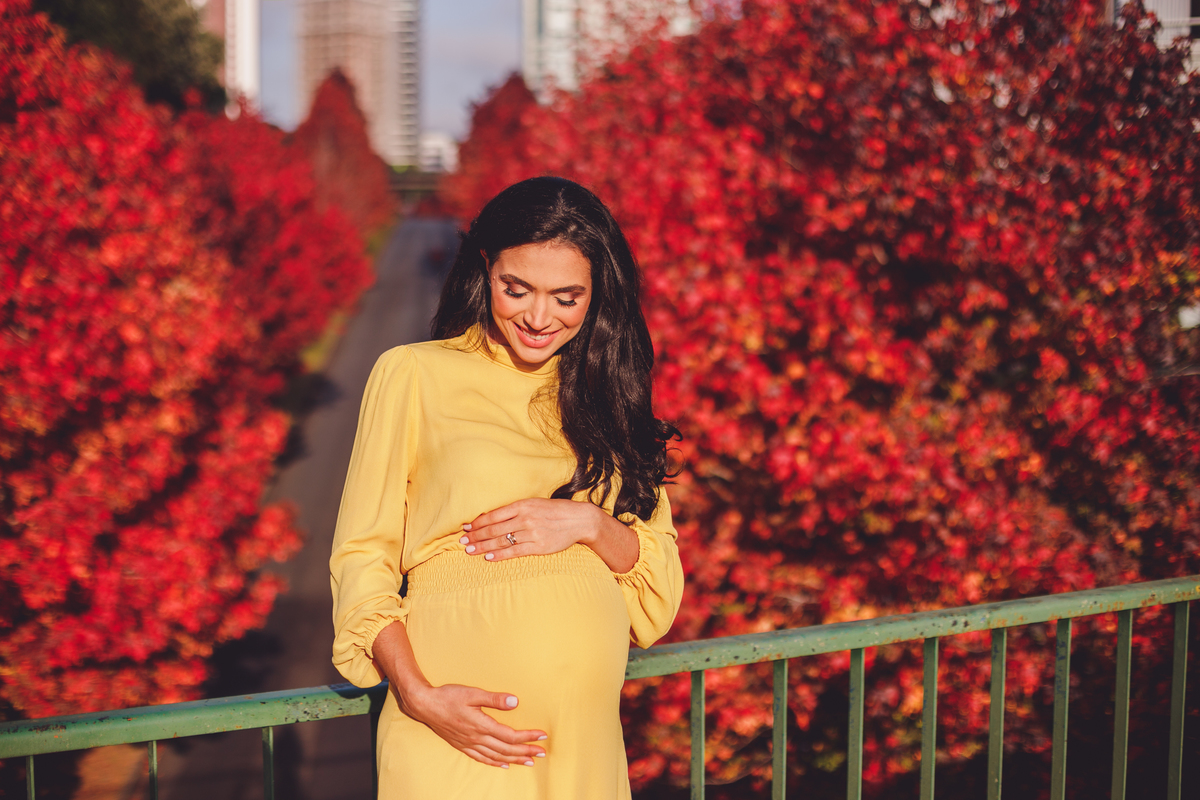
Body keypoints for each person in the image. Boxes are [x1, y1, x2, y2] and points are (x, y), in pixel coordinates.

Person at [330, 176, 685, 799]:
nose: (539, 317)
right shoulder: (414, 373)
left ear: (597, 296)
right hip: (452, 727)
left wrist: (589, 525)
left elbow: (657, 593)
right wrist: (417, 695)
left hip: (580, 737)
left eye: (567, 297)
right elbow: (363, 553)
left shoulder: (611, 403)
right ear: (484, 270)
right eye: (515, 289)